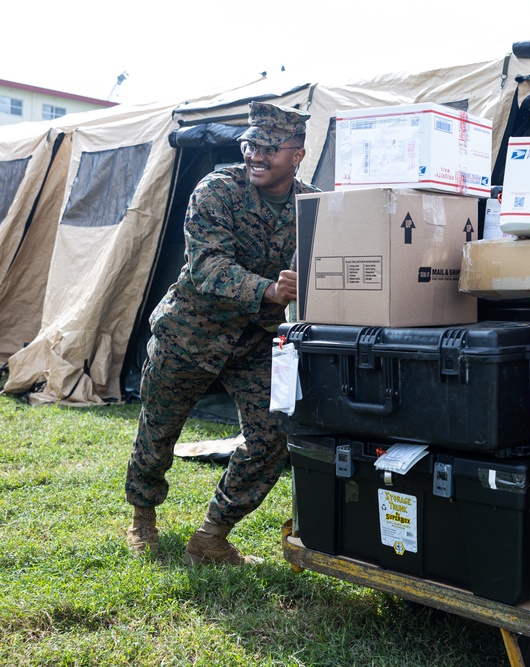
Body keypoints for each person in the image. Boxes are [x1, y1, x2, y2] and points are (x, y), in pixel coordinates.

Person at [124, 101, 319, 565]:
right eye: (250, 144)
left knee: (273, 436)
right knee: (159, 428)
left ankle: (211, 534)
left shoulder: (314, 205)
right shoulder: (216, 190)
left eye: (270, 147)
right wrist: (271, 289)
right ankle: (142, 515)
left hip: (256, 344)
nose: (256, 154)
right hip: (191, 333)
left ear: (298, 155)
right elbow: (208, 266)